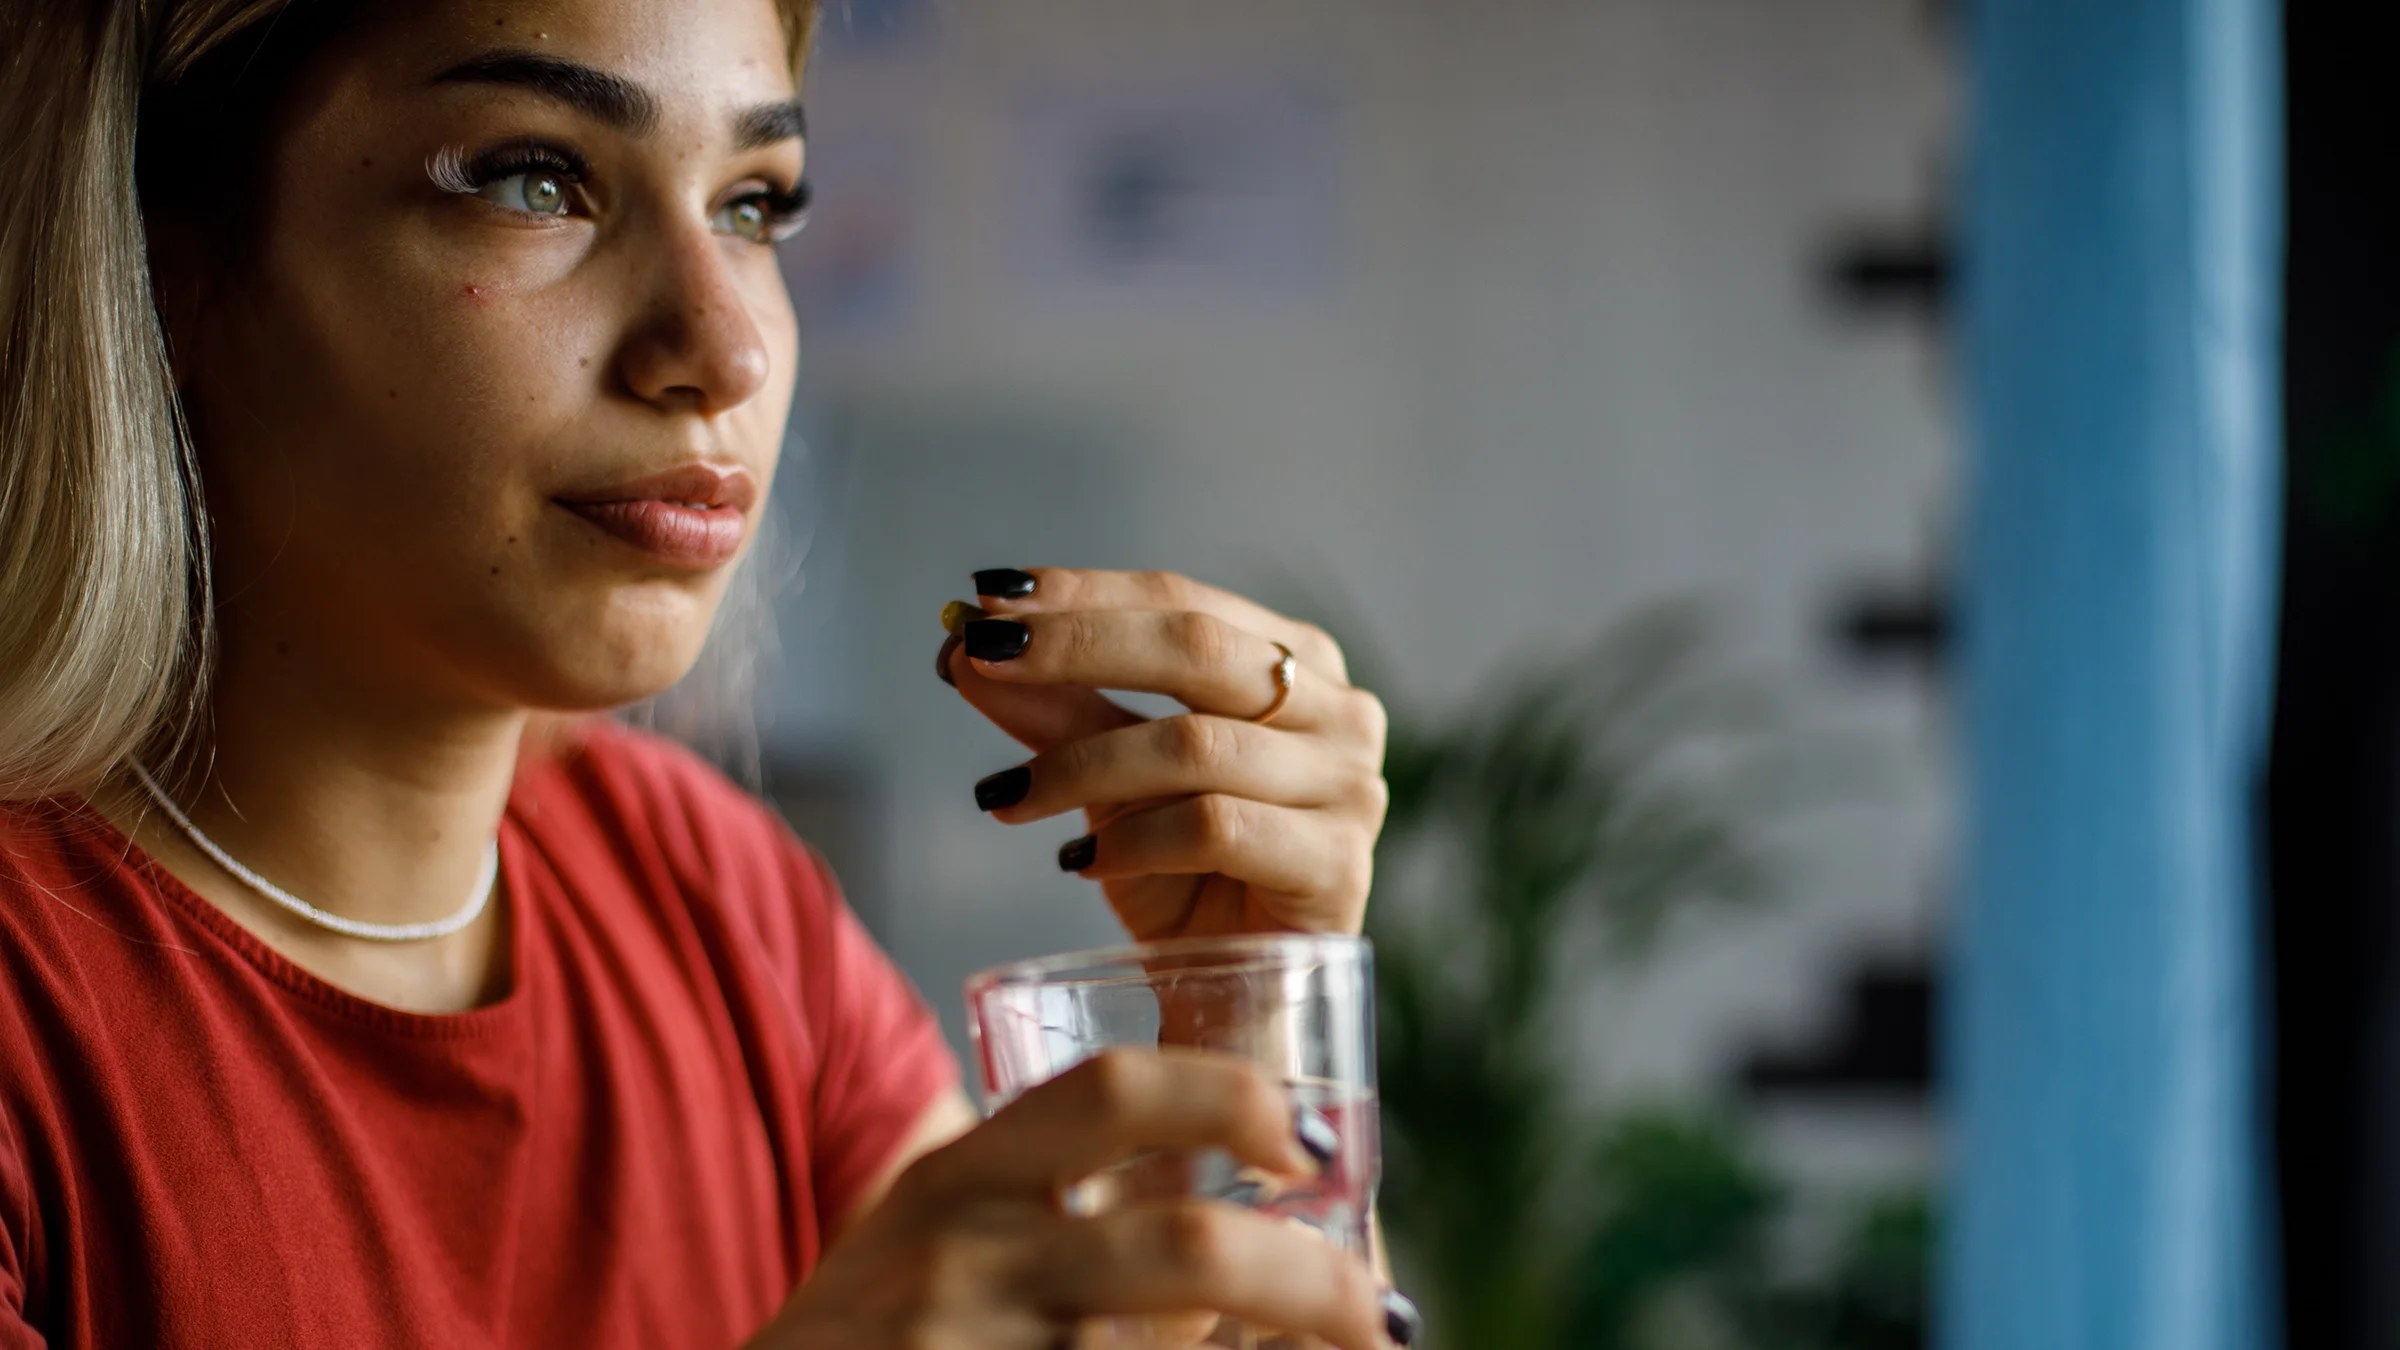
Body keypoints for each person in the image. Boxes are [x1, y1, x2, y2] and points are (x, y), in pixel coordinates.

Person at [0, 1, 1419, 1346]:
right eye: (536, 179)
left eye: (755, 204)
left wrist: (1250, 1038)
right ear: (163, 253)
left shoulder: (719, 903)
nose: (725, 346)